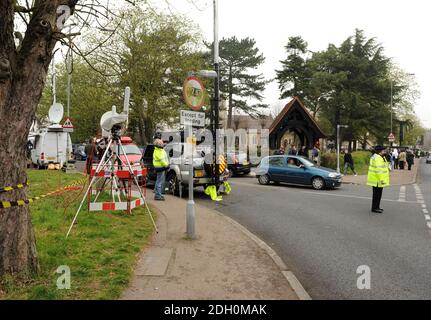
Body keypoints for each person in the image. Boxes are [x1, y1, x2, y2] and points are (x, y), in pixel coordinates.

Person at [367, 146, 390, 213]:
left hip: (377, 179)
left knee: (377, 194)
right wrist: (382, 180)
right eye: (383, 150)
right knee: (377, 195)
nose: (384, 151)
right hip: (377, 180)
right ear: (380, 151)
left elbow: (384, 166)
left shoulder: (380, 157)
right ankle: (375, 208)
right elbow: (379, 170)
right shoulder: (377, 158)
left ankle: (376, 207)